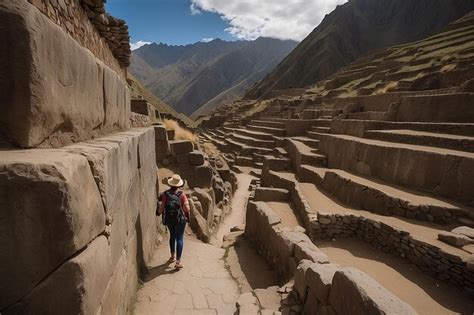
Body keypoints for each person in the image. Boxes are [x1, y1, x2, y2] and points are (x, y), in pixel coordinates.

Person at [157, 174, 190, 269]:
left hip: (169, 219)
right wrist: (188, 216)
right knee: (179, 238)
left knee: (172, 236)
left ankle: (172, 256)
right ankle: (178, 262)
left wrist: (158, 213)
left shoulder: (165, 194)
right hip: (180, 219)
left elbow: (162, 207)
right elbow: (187, 208)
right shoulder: (181, 194)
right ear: (179, 184)